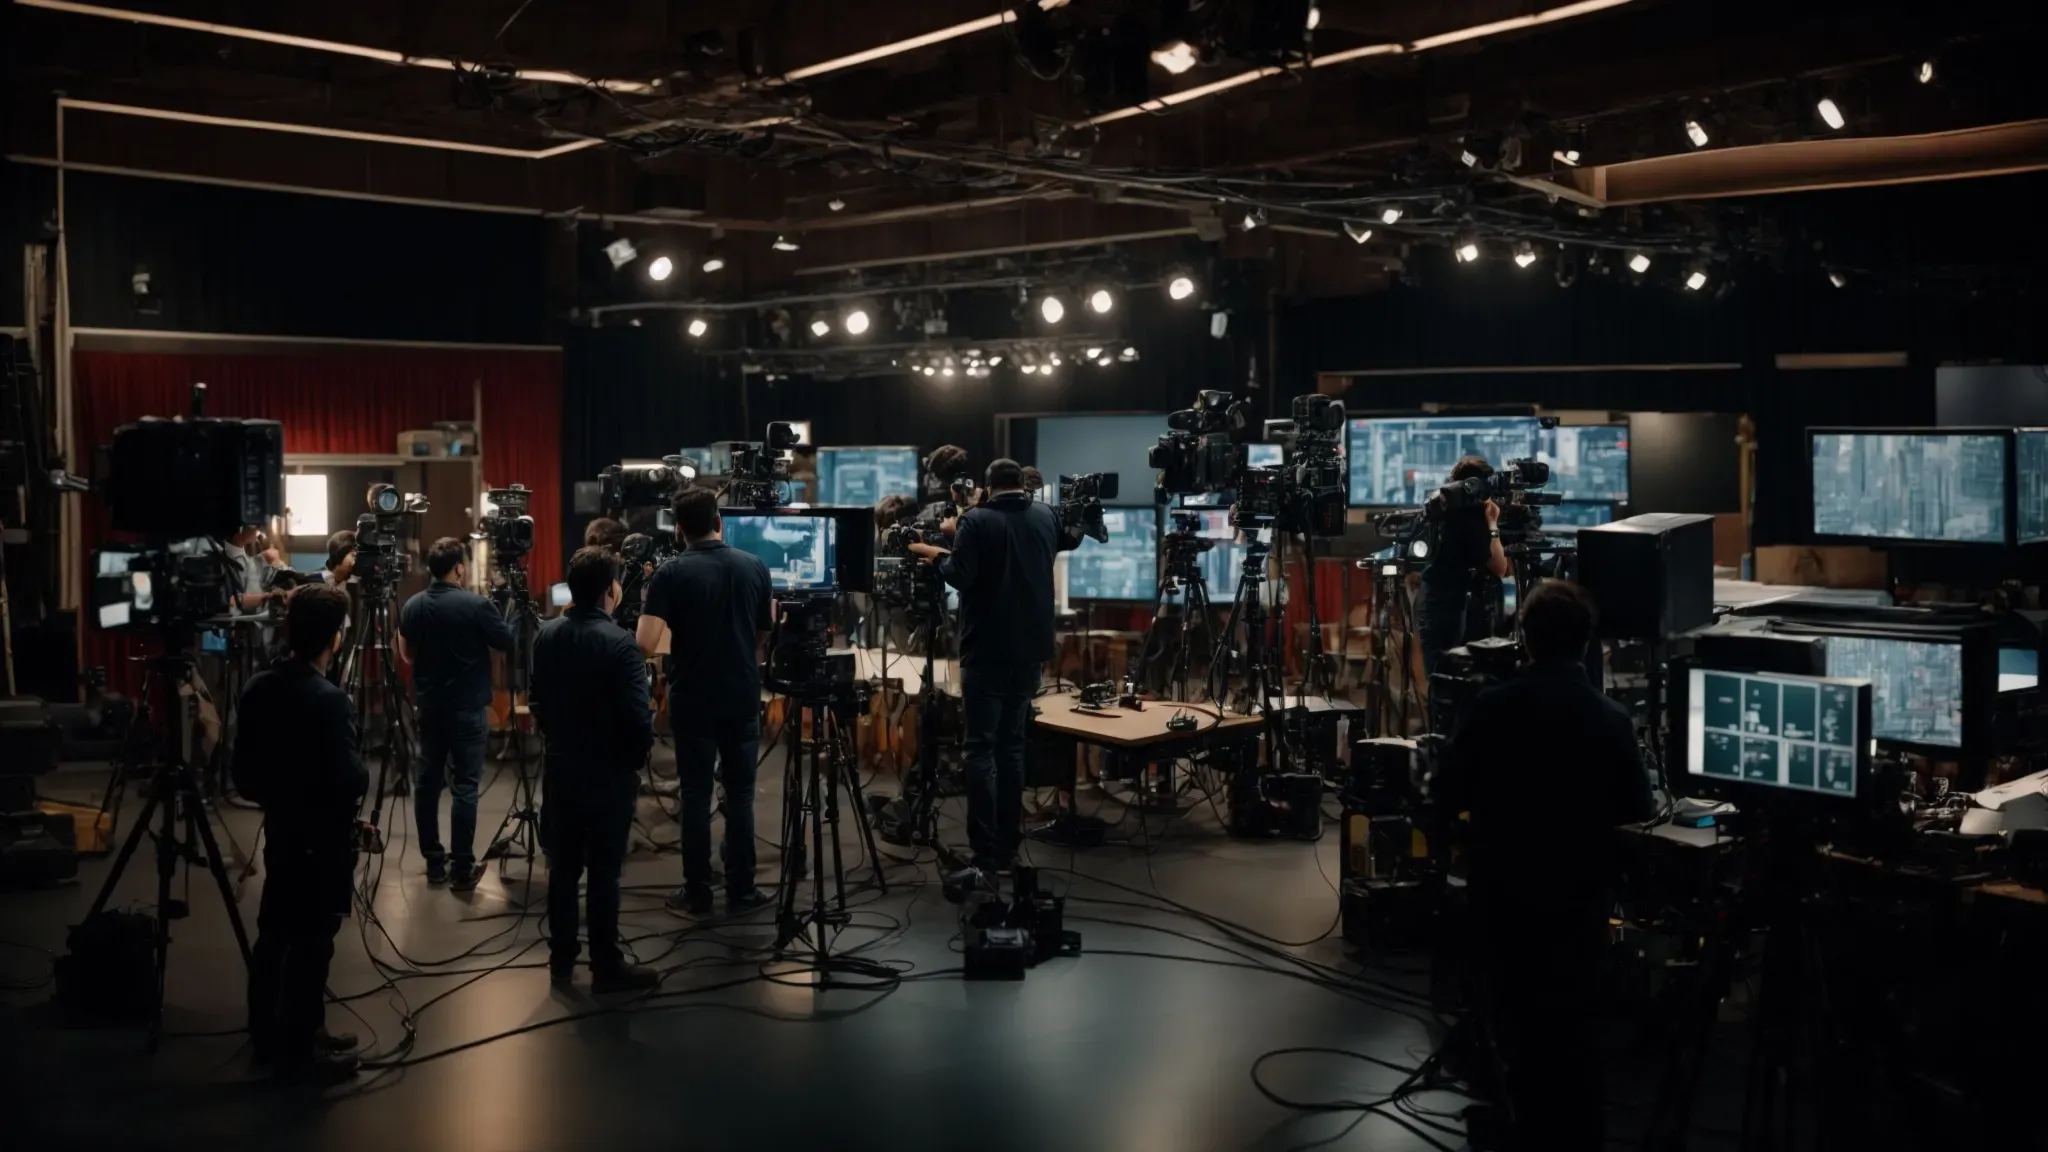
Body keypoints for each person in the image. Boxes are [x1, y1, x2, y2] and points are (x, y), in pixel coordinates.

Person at [1434, 580, 1652, 1149]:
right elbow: (1638, 814)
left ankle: (1512, 1116)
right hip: (1580, 910)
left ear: (1523, 639)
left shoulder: (1489, 709)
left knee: (1514, 1022)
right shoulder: (1613, 722)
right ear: (1587, 643)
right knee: (1571, 1033)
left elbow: (1442, 796)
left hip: (1501, 903)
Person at [232, 583, 365, 1082]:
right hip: (322, 838)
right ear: (336, 637)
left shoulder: (258, 687)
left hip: (283, 830)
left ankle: (274, 1033)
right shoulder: (329, 701)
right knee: (313, 942)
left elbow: (243, 774)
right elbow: (351, 777)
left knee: (276, 933)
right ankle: (301, 1050)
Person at [908, 458, 1058, 873]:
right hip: (1031, 650)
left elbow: (962, 575)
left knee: (979, 750)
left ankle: (985, 848)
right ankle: (1009, 843)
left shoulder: (976, 521)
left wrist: (935, 556)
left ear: (988, 488)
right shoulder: (1046, 516)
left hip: (987, 651)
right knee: (1012, 748)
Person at [636, 487, 775, 917]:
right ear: (719, 521)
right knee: (741, 796)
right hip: (741, 694)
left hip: (693, 698)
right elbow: (762, 637)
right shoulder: (755, 566)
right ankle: (742, 889)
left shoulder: (670, 574)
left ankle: (697, 893)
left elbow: (644, 643)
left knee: (696, 797)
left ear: (679, 530)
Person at [530, 547, 660, 993]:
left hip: (562, 768)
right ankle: (606, 964)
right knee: (605, 871)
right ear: (612, 590)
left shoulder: (546, 635)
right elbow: (636, 718)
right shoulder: (621, 643)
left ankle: (560, 961)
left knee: (563, 870)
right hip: (607, 773)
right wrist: (631, 759)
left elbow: (538, 703)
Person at [398, 537, 515, 891]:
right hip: (467, 711)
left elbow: (406, 654)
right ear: (459, 568)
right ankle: (462, 868)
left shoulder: (414, 605)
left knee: (427, 783)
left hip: (430, 709)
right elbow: (506, 642)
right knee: (464, 786)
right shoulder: (476, 605)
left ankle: (434, 863)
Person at [1416, 456, 1511, 677]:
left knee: (1442, 683)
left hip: (1435, 606)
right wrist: (1493, 523)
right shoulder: (1472, 519)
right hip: (1455, 612)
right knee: (1459, 681)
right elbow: (1499, 567)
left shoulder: (1442, 511)